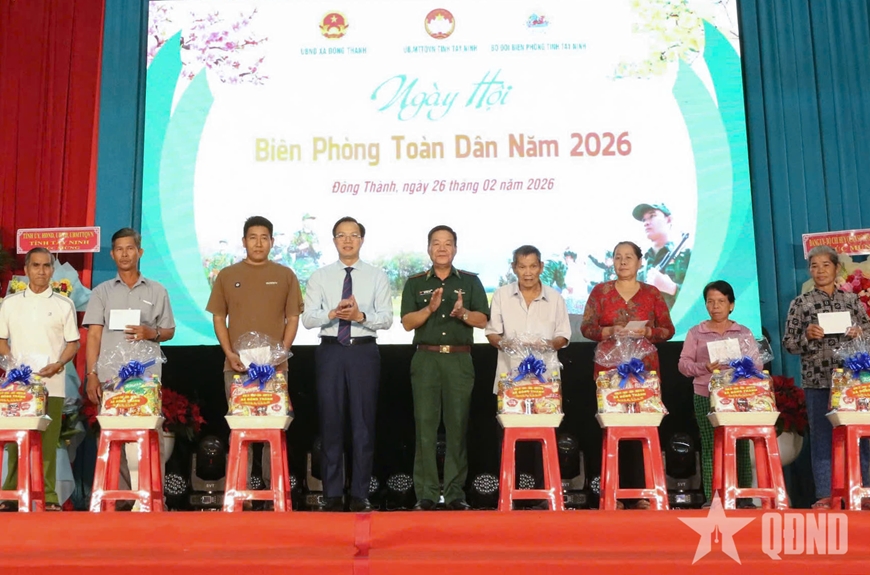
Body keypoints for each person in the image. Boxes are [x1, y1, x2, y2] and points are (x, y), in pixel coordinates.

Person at [302, 216, 393, 513]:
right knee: (331, 423)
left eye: (353, 235)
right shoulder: (320, 276)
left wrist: (359, 317)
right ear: (334, 241)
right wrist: (332, 314)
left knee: (363, 425)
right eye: (341, 235)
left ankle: (359, 494)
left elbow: (387, 318)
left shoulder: (377, 276)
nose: (348, 240)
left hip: (363, 352)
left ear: (361, 240)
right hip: (330, 352)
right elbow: (308, 319)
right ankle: (331, 494)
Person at [206, 216, 303, 488]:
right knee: (241, 428)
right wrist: (229, 353)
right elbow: (218, 318)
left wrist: (281, 353)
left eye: (264, 238)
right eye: (253, 237)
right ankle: (242, 491)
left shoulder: (285, 275)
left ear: (272, 242)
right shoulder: (227, 275)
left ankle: (274, 491)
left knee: (274, 429)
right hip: (237, 367)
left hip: (275, 368)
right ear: (243, 241)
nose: (258, 243)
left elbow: (293, 317)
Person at [400, 225, 489, 510]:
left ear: (455, 249)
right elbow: (407, 323)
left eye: (447, 243)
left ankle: (454, 494)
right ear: (429, 249)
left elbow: (483, 320)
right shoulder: (415, 283)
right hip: (426, 359)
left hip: (459, 360)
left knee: (457, 427)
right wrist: (429, 309)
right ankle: (426, 494)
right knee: (425, 427)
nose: (442, 248)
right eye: (436, 243)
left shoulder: (470, 282)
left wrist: (462, 313)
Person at [581, 240, 674, 509]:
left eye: (628, 257)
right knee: (612, 430)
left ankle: (643, 494)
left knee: (643, 429)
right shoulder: (600, 292)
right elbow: (586, 327)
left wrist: (647, 332)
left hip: (644, 371)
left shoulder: (652, 293)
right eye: (618, 257)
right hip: (609, 371)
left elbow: (668, 330)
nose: (622, 262)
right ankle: (614, 495)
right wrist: (608, 331)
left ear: (639, 262)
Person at [83, 228, 176, 498]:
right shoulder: (101, 292)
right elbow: (94, 335)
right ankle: (119, 498)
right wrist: (92, 374)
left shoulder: (157, 290)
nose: (125, 254)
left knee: (149, 436)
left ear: (140, 252)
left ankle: (152, 496)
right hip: (110, 378)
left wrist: (151, 332)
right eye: (119, 249)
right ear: (113, 255)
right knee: (112, 437)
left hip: (145, 379)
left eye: (130, 248)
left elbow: (169, 331)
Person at [783, 245, 870, 510]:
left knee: (862, 436)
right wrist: (806, 336)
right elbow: (789, 343)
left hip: (853, 382)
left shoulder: (852, 301)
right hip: (817, 380)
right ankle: (824, 495)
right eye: (814, 266)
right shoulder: (801, 303)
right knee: (821, 438)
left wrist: (860, 334)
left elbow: (868, 334)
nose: (820, 270)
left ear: (836, 268)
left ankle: (865, 491)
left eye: (825, 265)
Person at [486, 245, 570, 503]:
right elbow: (492, 333)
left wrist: (547, 344)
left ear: (541, 267)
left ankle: (544, 495)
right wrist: (507, 344)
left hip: (545, 381)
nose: (528, 272)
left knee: (543, 439)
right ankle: (509, 495)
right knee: (508, 439)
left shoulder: (555, 298)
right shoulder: (501, 295)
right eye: (522, 267)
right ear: (514, 268)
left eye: (533, 266)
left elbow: (563, 336)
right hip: (510, 378)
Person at [0, 248, 80, 511]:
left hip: (52, 385)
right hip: (17, 387)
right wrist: (13, 365)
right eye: (36, 265)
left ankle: (49, 497)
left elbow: (73, 343)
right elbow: (1, 340)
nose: (41, 271)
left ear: (52, 270)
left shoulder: (64, 304)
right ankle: (10, 496)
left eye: (46, 266)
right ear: (26, 269)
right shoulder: (10, 303)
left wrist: (59, 364)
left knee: (48, 442)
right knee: (15, 442)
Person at [678, 280, 755, 506]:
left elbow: (757, 364)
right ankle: (715, 497)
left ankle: (744, 497)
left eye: (721, 301)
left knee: (741, 444)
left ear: (731, 305)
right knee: (711, 444)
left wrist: (741, 367)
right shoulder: (696, 333)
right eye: (710, 302)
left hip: (737, 395)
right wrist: (704, 367)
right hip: (706, 394)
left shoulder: (743, 332)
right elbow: (683, 365)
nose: (715, 306)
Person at [632, 203, 691, 308]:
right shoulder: (640, 267)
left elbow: (704, 298)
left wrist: (672, 288)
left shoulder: (687, 256)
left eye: (652, 216)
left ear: (668, 220)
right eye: (643, 220)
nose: (646, 223)